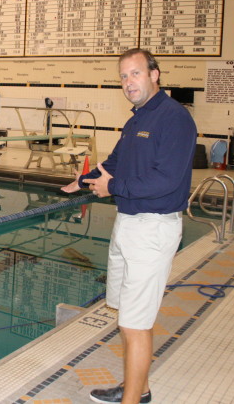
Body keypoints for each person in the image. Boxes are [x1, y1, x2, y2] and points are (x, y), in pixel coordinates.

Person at [61, 48, 197, 404]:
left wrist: (112, 188)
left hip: (152, 228)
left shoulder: (174, 118)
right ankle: (140, 387)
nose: (128, 83)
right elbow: (117, 162)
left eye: (135, 74)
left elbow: (166, 180)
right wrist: (87, 179)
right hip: (129, 224)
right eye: (123, 76)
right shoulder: (137, 118)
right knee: (125, 315)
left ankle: (132, 400)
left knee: (135, 323)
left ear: (154, 74)